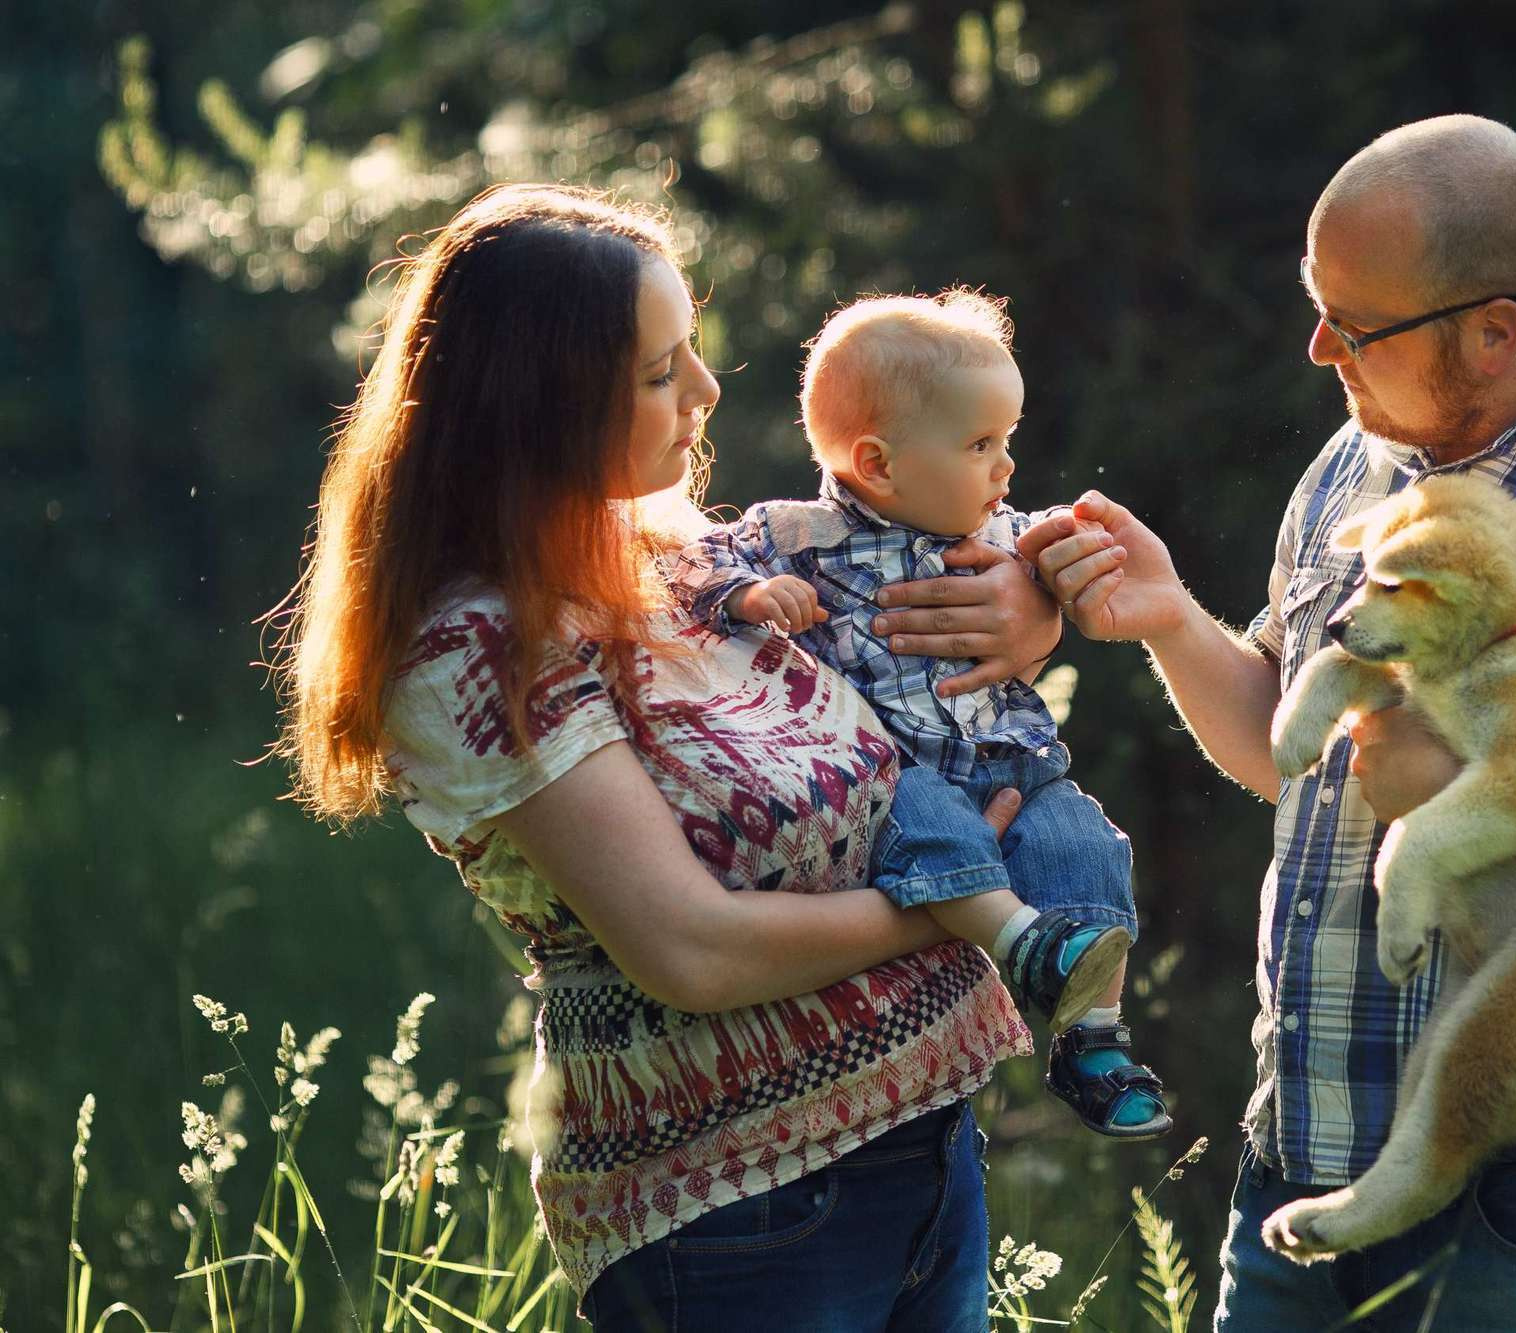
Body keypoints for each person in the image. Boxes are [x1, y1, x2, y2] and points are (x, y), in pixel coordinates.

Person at [994, 114, 1516, 1331]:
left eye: (1356, 324)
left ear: (1492, 329)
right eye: (1315, 306)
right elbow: (1299, 752)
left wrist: (1461, 780)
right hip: (1302, 1157)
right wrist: (1169, 618)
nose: (1319, 345)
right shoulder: (1354, 466)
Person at [269, 183, 1065, 1330]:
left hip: (925, 1140)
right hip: (734, 1209)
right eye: (657, 373)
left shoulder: (684, 551)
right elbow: (689, 951)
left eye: (692, 352)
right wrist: (961, 901)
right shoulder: (478, 646)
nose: (703, 393)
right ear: (538, 403)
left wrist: (1023, 611)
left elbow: (908, 575)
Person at [671, 290, 1171, 1140]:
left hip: (1015, 759)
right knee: (940, 837)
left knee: (1085, 845)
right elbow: (693, 566)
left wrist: (1060, 574)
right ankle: (1020, 943)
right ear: (879, 462)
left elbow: (1065, 553)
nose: (1006, 468)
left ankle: (1091, 1038)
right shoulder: (798, 534)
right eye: (981, 445)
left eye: (1007, 442)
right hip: (900, 770)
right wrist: (750, 593)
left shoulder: (1003, 530)